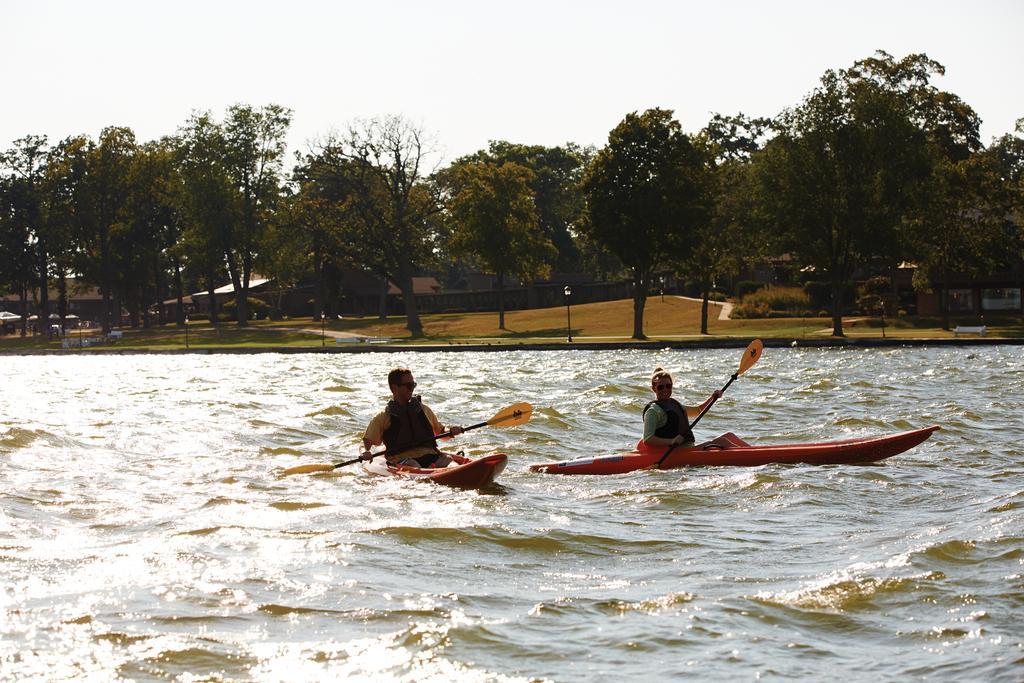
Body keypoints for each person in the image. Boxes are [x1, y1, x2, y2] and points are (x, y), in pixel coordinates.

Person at [362, 368, 464, 468]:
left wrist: (450, 432)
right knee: (413, 465)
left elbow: (442, 432)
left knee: (448, 460)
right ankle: (426, 475)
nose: (412, 389)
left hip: (431, 455)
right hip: (402, 459)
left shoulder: (423, 410)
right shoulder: (384, 416)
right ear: (394, 388)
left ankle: (456, 470)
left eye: (413, 385)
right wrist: (366, 451)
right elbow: (367, 440)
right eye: (408, 386)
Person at [642, 367, 723, 449]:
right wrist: (672, 441)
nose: (665, 389)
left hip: (688, 449)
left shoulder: (675, 405)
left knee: (729, 436)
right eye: (660, 387)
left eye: (668, 386)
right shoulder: (653, 411)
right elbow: (648, 439)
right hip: (674, 453)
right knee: (725, 441)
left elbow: (698, 410)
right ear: (654, 388)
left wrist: (713, 398)